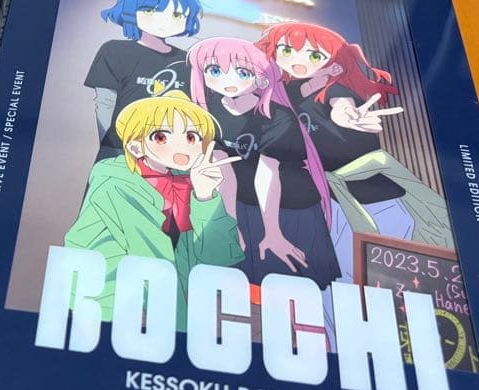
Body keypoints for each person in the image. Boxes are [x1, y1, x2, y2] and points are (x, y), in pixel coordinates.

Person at [256, 22, 453, 282]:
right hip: (331, 200)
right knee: (347, 269)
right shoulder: (286, 94)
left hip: (376, 198)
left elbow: (341, 106)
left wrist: (348, 116)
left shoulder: (336, 90)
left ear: (335, 65)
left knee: (383, 271)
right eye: (287, 51)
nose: (297, 60)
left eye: (313, 55)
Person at [64, 89, 243, 327]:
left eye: (191, 137)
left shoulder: (185, 181)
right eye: (161, 137)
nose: (181, 148)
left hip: (157, 299)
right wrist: (181, 333)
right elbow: (151, 259)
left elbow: (218, 259)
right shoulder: (115, 183)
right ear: (135, 147)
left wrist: (205, 196)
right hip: (104, 302)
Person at [186, 36, 339, 292]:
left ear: (262, 79)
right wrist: (231, 224)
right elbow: (223, 169)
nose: (227, 79)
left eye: (242, 72)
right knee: (242, 284)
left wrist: (274, 232)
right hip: (244, 204)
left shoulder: (277, 116)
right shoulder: (209, 111)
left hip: (290, 207)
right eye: (214, 70)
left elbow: (267, 174)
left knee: (296, 285)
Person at [85, 0, 202, 160]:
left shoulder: (187, 61)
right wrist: (115, 146)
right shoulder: (115, 51)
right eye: (150, 11)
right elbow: (104, 103)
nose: (165, 21)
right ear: (131, 12)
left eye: (177, 15)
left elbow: (190, 112)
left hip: (167, 153)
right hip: (120, 149)